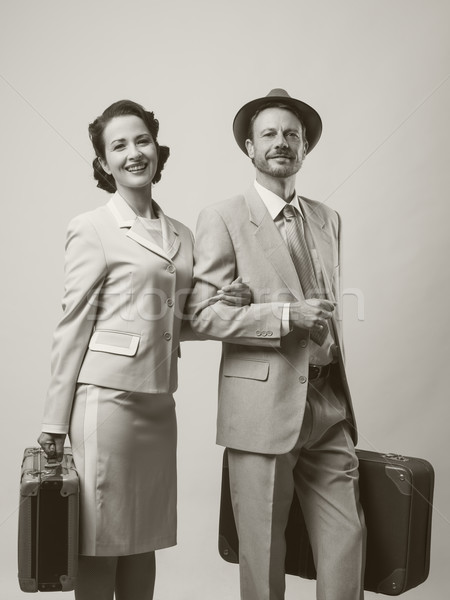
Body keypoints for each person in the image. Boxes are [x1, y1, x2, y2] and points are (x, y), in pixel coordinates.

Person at [37, 99, 250, 600]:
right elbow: (72, 325)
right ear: (103, 163)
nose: (134, 153)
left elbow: (178, 322)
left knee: (142, 539)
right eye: (119, 145)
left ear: (157, 149)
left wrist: (224, 299)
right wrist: (53, 423)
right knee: (100, 540)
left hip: (159, 404)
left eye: (142, 141)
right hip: (105, 403)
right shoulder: (92, 227)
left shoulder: (182, 233)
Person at [187, 88, 366, 600]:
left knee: (345, 541)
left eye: (292, 134)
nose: (281, 142)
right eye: (269, 134)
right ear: (249, 146)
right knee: (262, 553)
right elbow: (204, 314)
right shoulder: (221, 217)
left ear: (305, 147)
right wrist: (286, 315)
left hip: (328, 404)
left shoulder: (327, 218)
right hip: (261, 411)